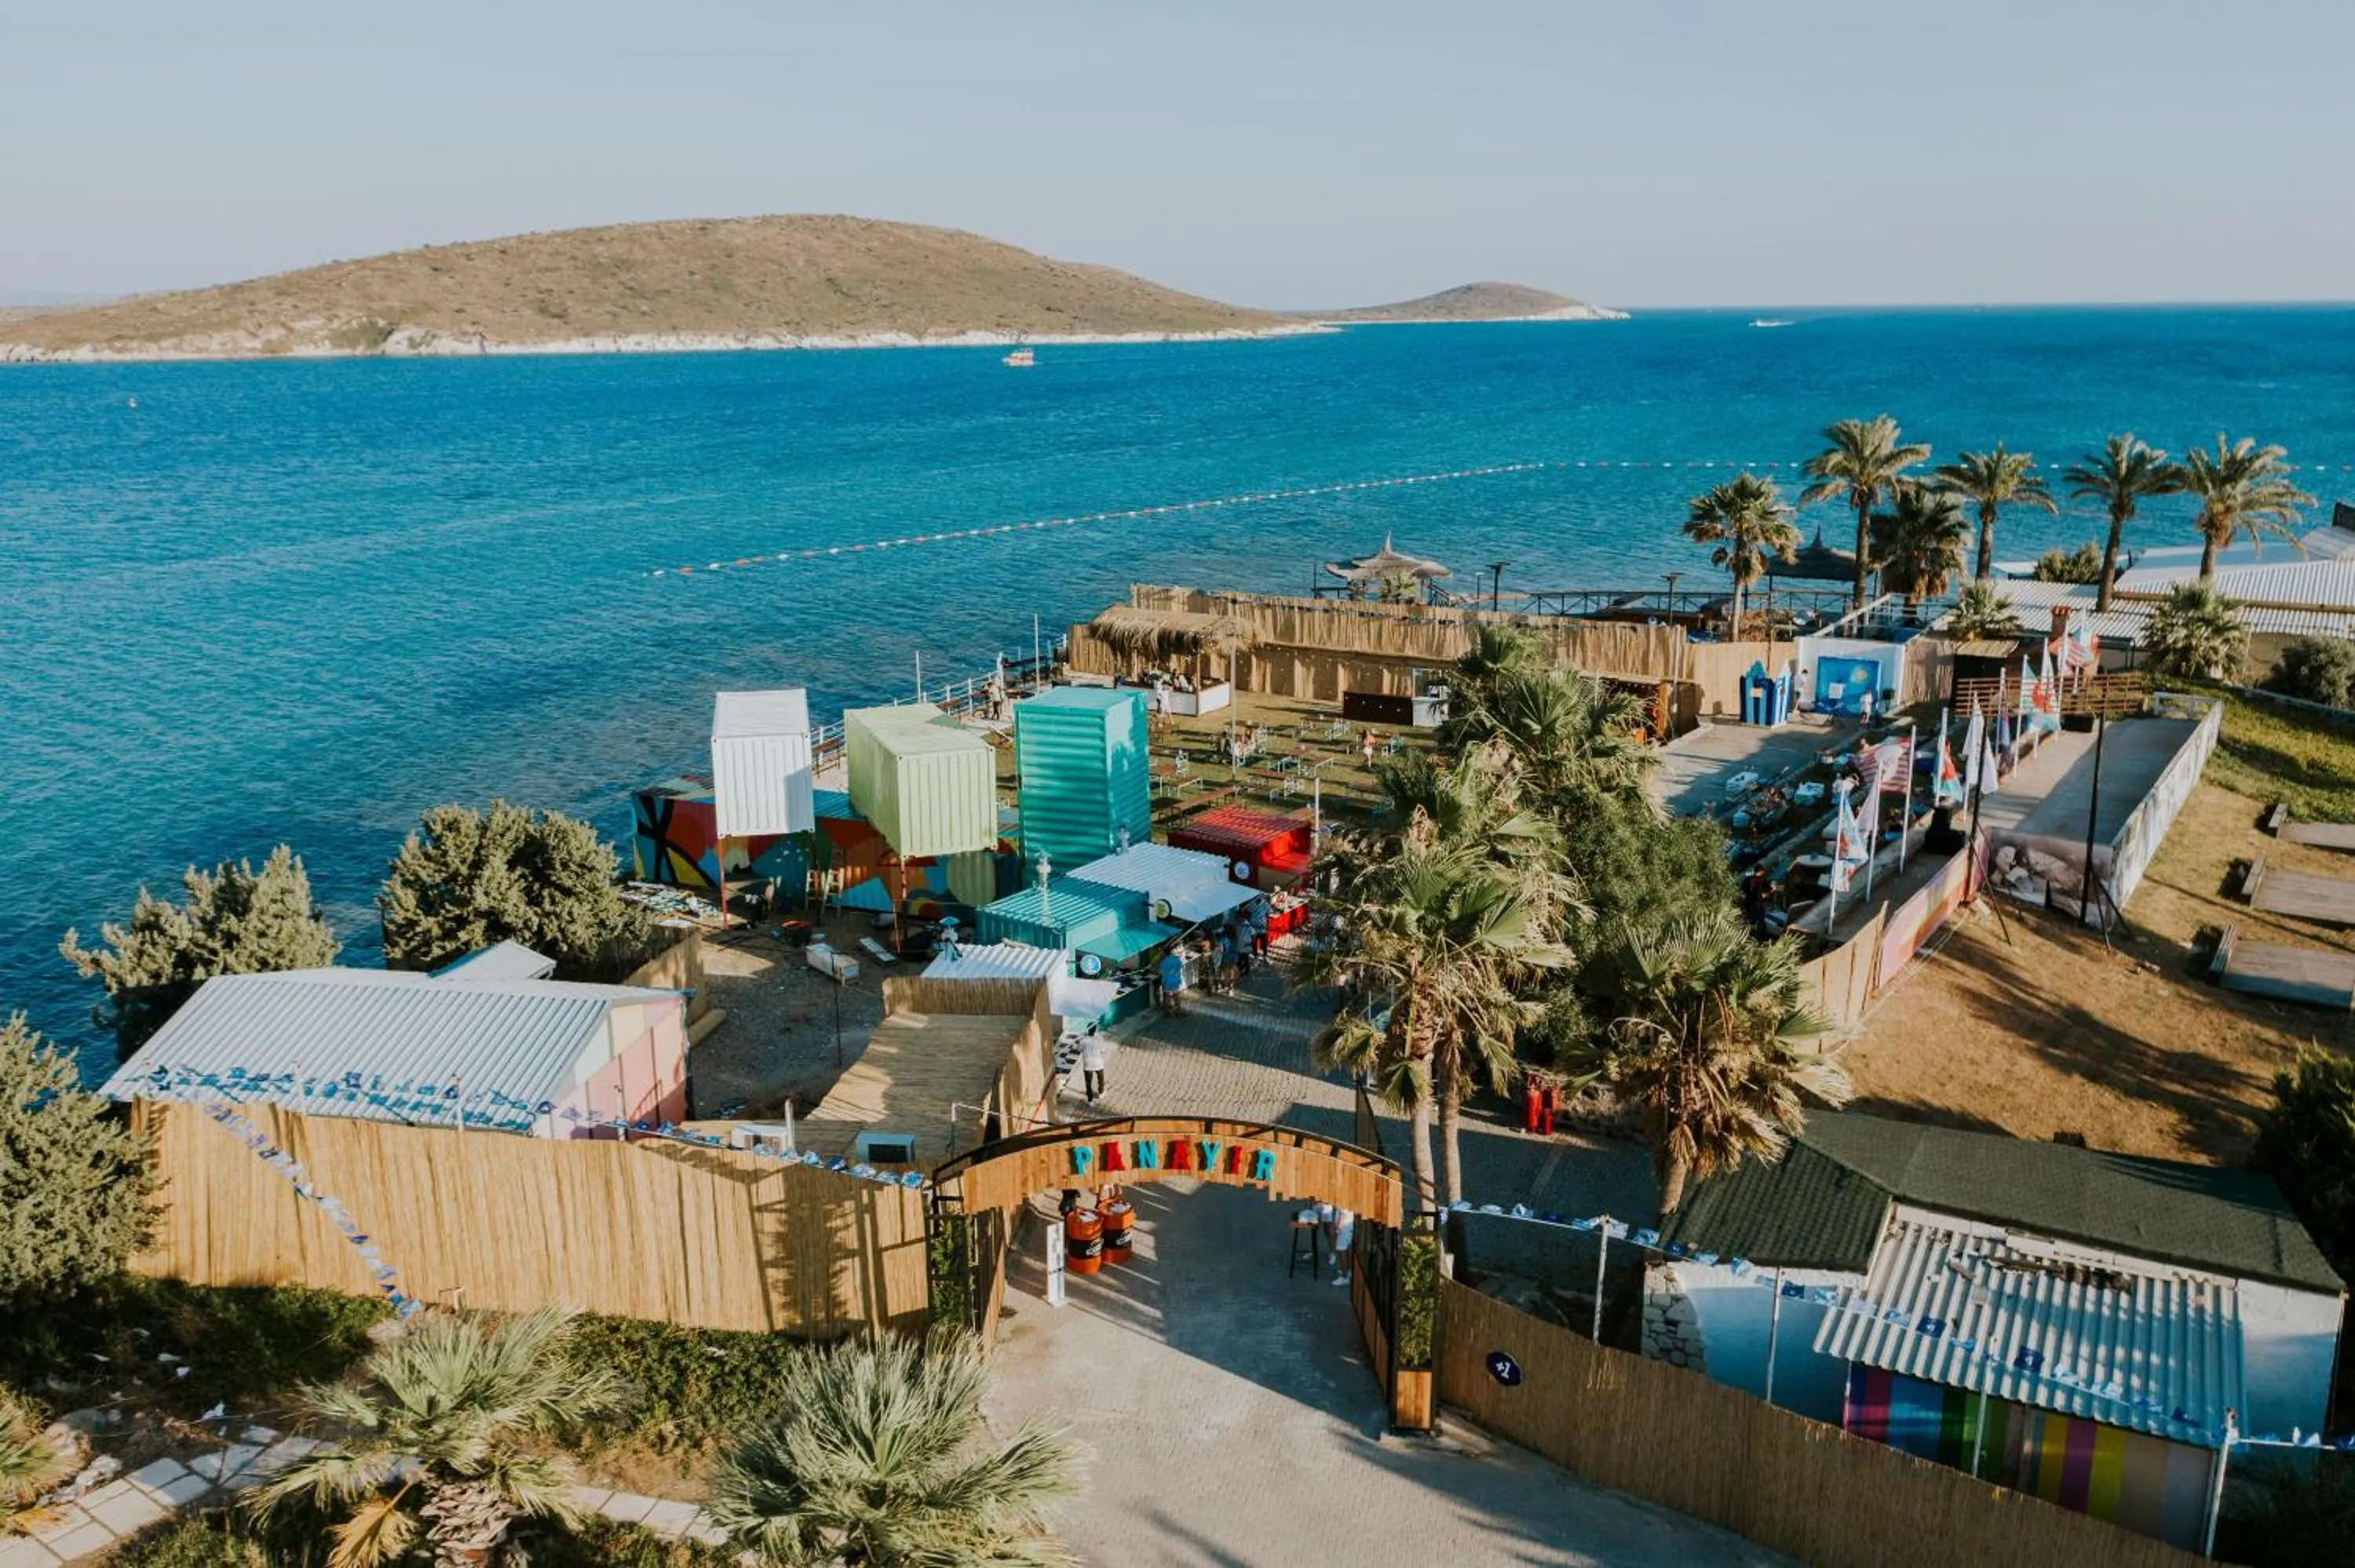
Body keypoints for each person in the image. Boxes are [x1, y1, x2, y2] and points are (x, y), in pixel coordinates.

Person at [1320, 1202, 1356, 1285]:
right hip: (1345, 1225)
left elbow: (1344, 1214)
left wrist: (1338, 1226)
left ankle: (1344, 1277)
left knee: (1341, 1249)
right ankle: (1348, 1270)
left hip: (1344, 1226)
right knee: (1346, 1248)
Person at [1080, 1028, 1108, 1105]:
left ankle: (1090, 1100)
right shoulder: (1099, 1039)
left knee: (1088, 1083)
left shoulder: (1083, 1040)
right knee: (1101, 1078)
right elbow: (1103, 1050)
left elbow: (1079, 1049)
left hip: (1088, 1064)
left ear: (1087, 1030)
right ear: (1095, 1031)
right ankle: (1101, 1093)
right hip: (1098, 1063)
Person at [1157, 946, 1186, 1016]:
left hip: (1167, 981)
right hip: (1175, 980)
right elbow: (1180, 967)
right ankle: (1178, 1012)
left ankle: (1167, 1013)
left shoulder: (1163, 962)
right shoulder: (1177, 960)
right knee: (1176, 996)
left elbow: (1161, 973)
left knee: (1167, 997)